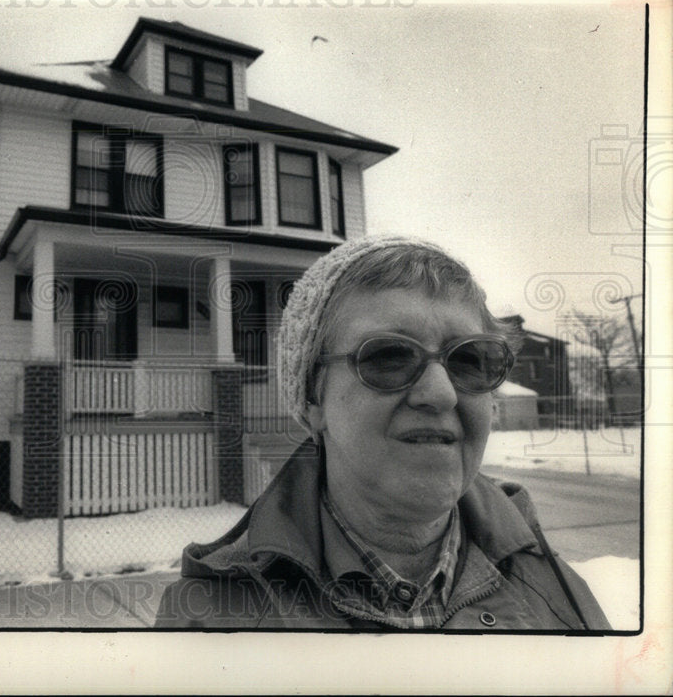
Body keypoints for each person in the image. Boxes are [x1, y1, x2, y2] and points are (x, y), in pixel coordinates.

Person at [155, 234, 610, 630]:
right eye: (389, 356)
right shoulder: (206, 619)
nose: (441, 394)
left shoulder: (559, 591)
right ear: (314, 401)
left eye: (470, 359)